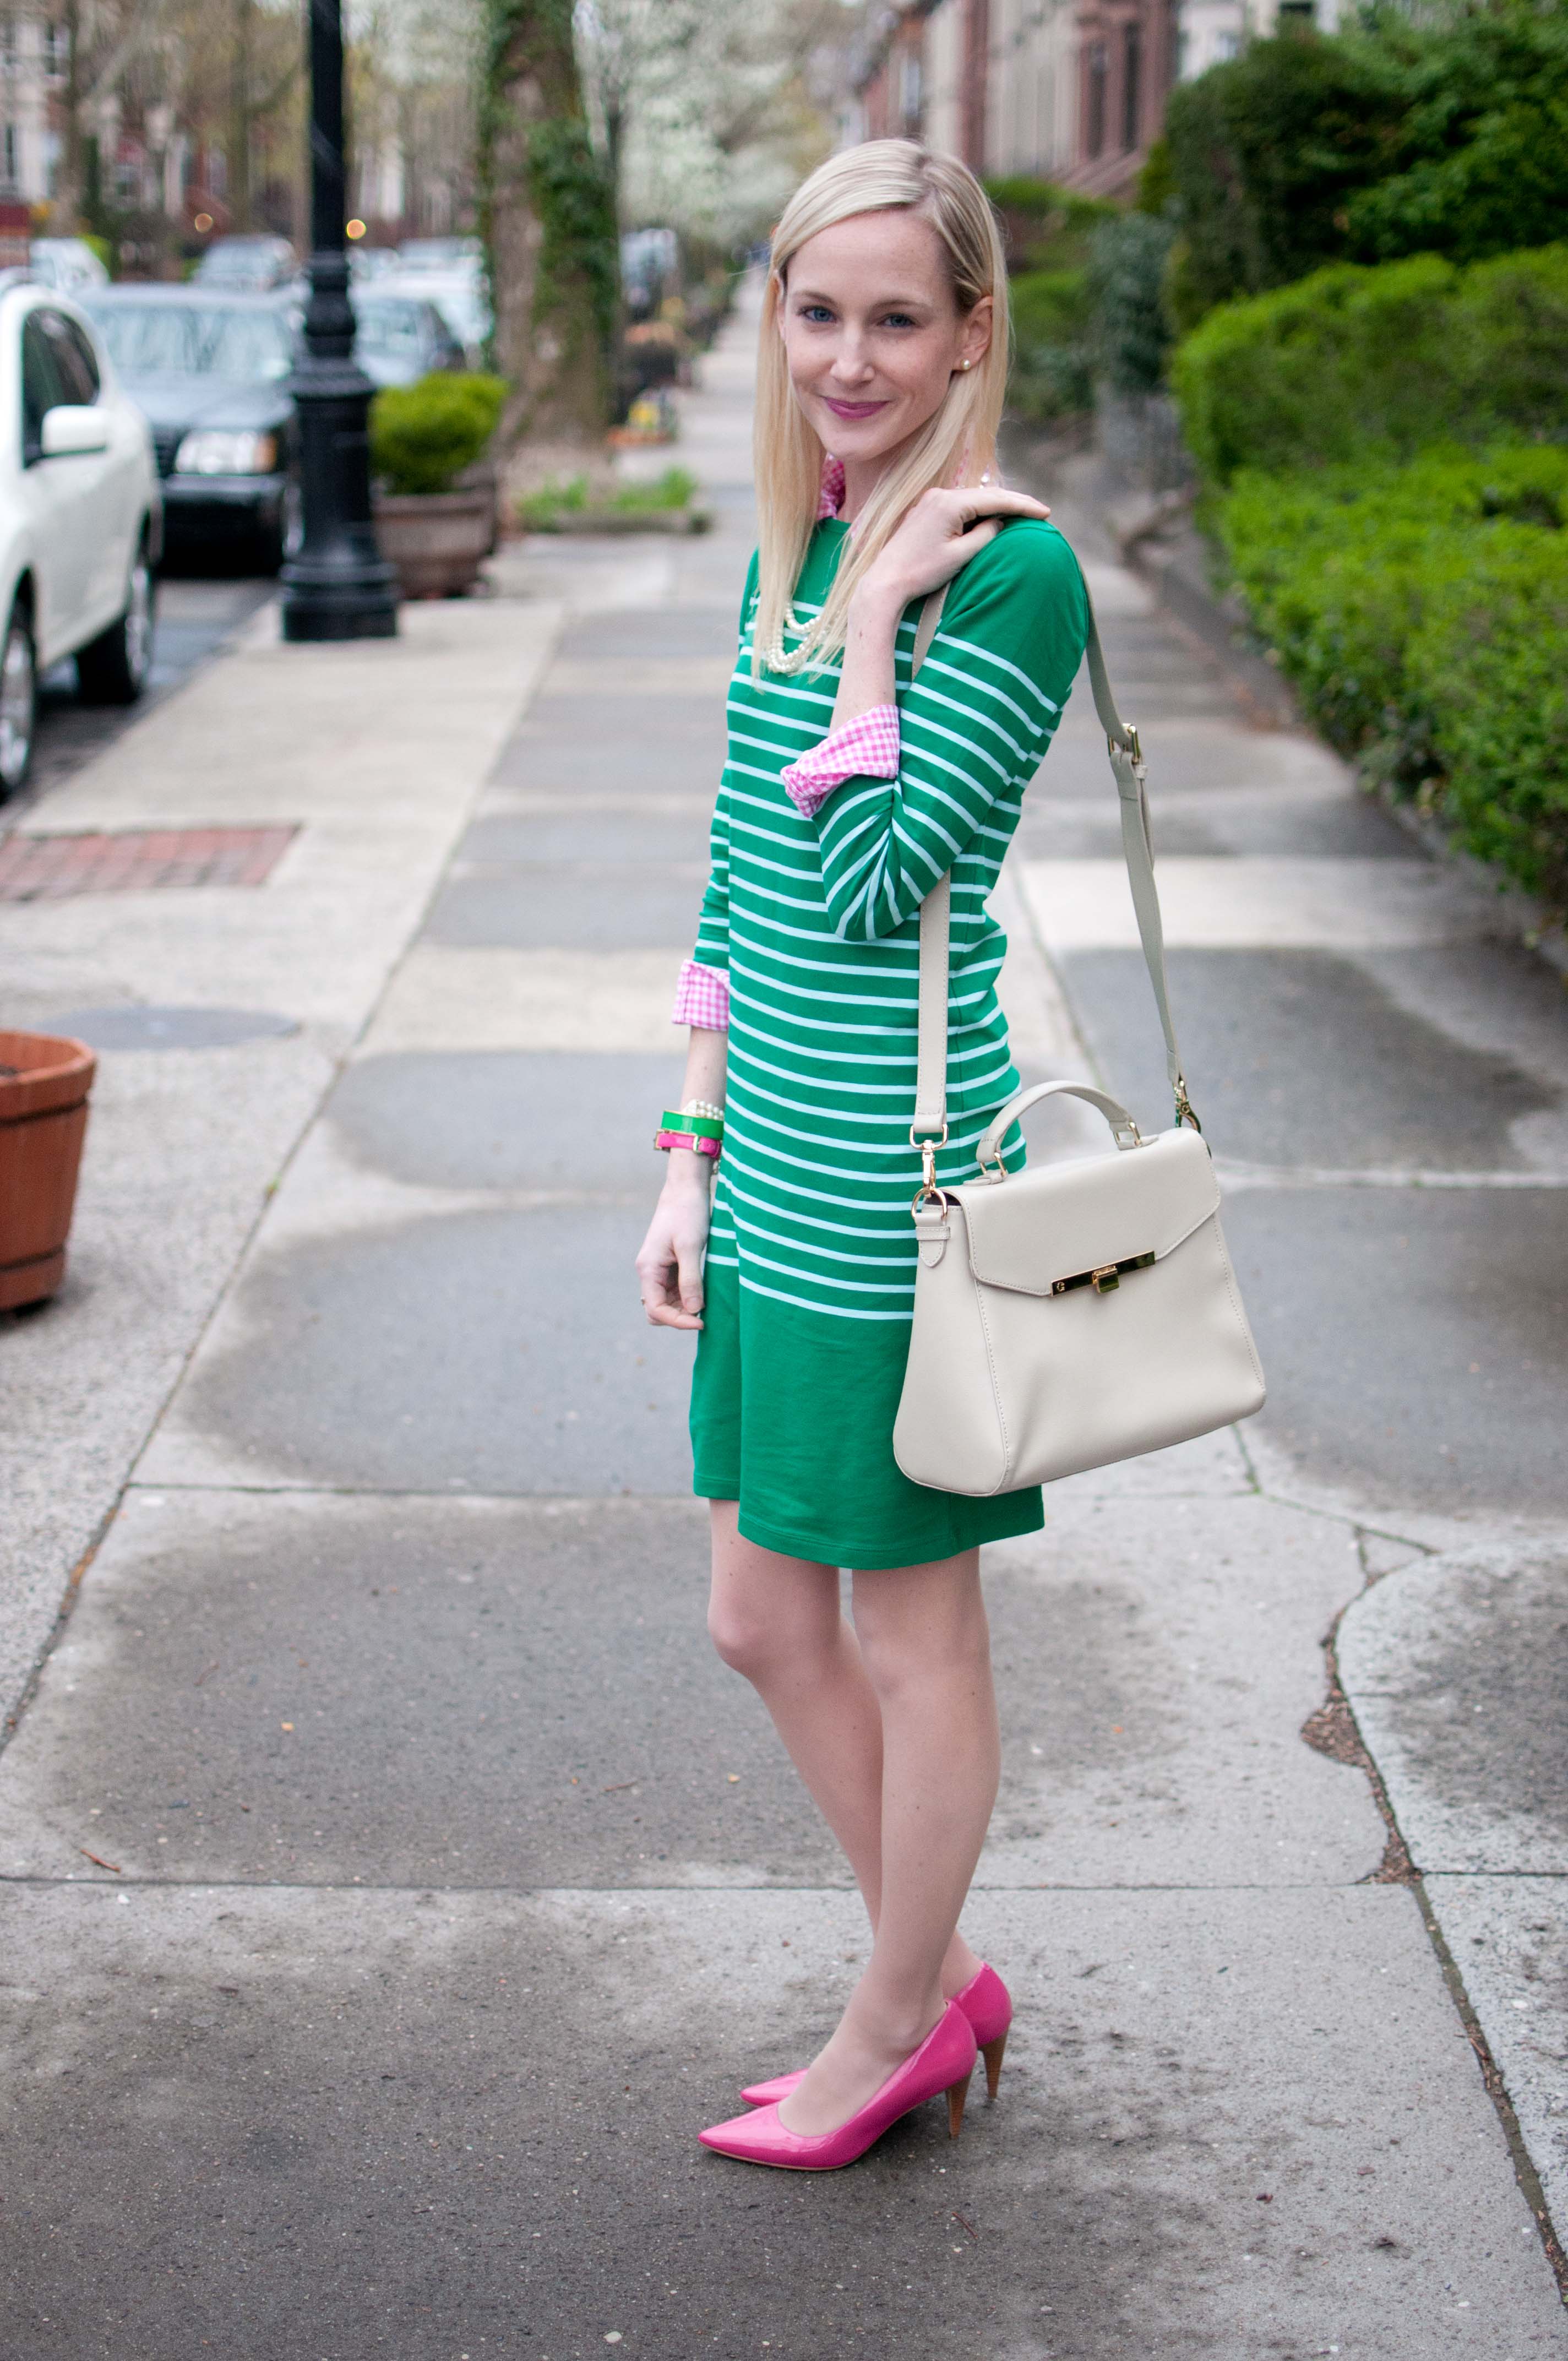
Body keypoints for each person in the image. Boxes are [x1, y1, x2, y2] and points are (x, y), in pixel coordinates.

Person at [634, 138, 1090, 2172]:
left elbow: (876, 878)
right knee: (758, 1615)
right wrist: (681, 1159)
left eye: (897, 317)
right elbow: (739, 892)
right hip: (773, 1179)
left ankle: (892, 2019)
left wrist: (886, 617)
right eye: (817, 312)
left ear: (971, 333)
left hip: (903, 1193)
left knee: (912, 1633)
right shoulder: (788, 548)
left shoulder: (1007, 570)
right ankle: (941, 1974)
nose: (849, 357)